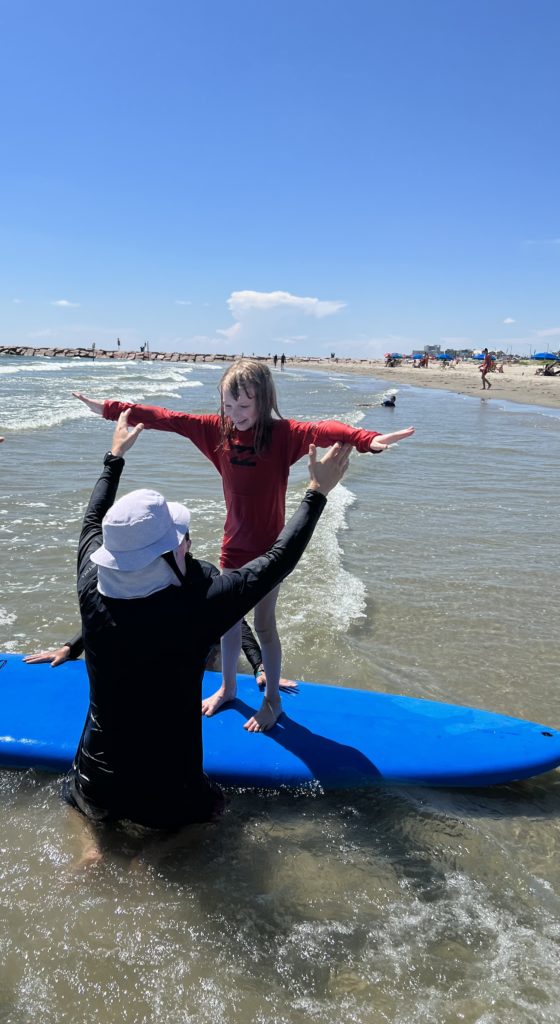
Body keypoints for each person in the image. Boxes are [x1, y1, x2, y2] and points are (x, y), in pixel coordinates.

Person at [73, 358, 415, 733]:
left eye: (244, 406)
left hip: (272, 550)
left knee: (265, 625)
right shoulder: (216, 432)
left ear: (264, 401)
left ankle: (273, 702)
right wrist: (108, 409)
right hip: (233, 545)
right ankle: (229, 687)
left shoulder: (283, 435)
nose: (234, 415)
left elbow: (325, 430)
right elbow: (165, 416)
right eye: (228, 406)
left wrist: (367, 440)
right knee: (227, 623)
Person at [61, 408, 352, 829]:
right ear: (164, 555)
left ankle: (93, 849)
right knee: (215, 828)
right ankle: (154, 861)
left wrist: (114, 457)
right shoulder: (198, 607)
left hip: (93, 778)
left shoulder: (90, 578)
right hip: (167, 790)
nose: (187, 543)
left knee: (96, 823)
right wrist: (317, 492)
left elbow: (92, 518)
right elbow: (276, 560)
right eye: (179, 540)